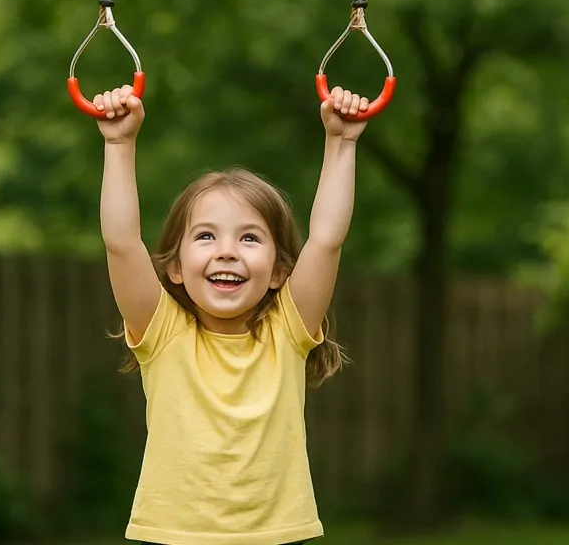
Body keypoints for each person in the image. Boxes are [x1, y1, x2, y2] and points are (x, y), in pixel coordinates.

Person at [95, 82, 371, 545]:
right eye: (206, 236)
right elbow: (121, 242)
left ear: (282, 270)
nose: (227, 252)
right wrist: (119, 144)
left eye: (249, 238)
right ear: (177, 267)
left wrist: (341, 142)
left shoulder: (288, 328)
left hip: (277, 536)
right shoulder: (161, 332)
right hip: (172, 537)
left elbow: (326, 238)